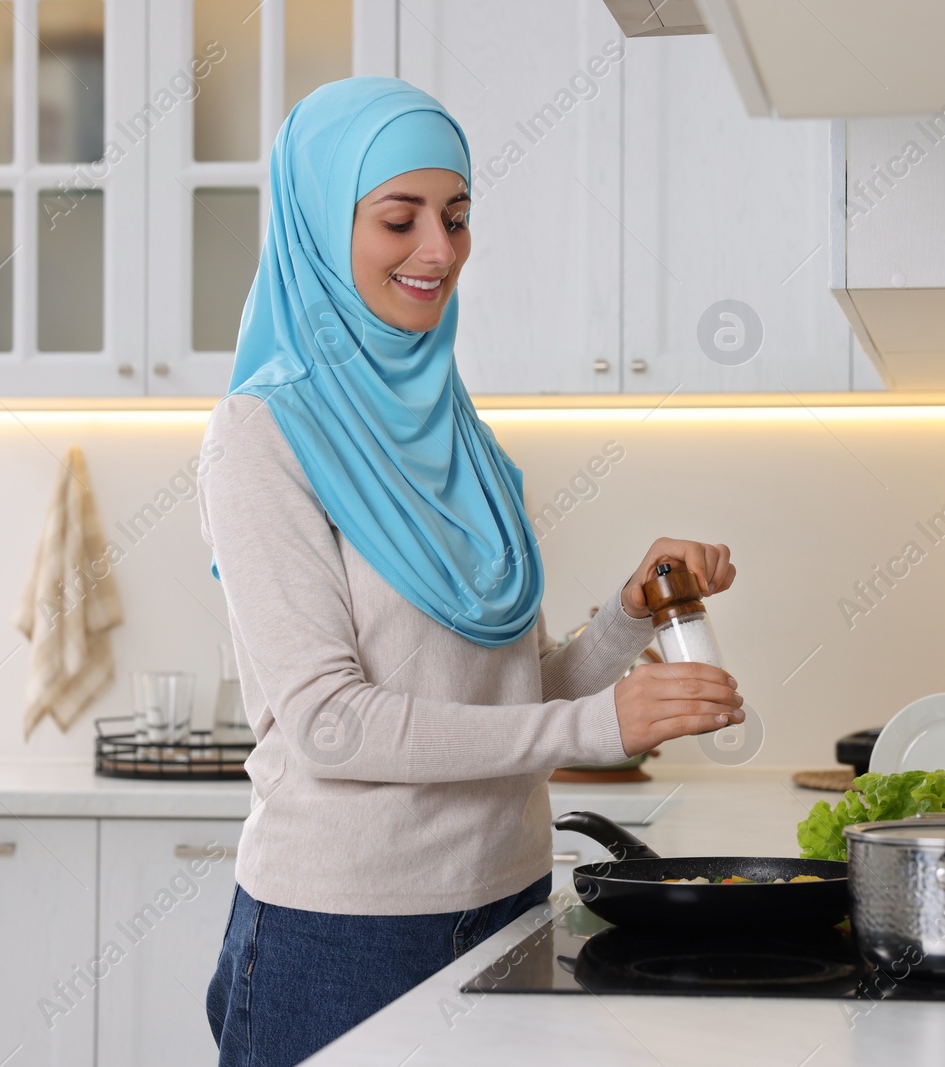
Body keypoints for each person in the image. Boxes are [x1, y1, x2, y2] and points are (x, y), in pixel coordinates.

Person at [198, 76, 742, 1066]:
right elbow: (327, 721)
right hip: (342, 930)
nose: (439, 250)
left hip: (505, 896)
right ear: (320, 226)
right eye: (398, 218)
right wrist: (596, 730)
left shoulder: (462, 435)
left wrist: (624, 617)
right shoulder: (263, 431)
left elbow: (506, 685)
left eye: (455, 216)